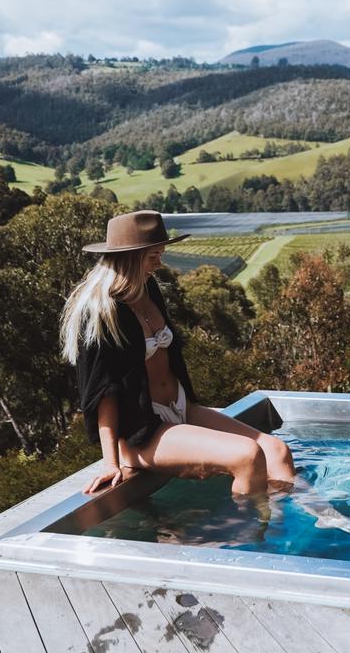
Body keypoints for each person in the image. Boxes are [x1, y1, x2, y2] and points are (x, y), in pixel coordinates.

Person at [61, 210, 296, 497]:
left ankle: (288, 527)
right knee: (246, 455)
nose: (160, 263)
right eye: (153, 256)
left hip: (182, 407)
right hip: (143, 430)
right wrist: (111, 462)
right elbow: (102, 393)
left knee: (276, 449)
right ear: (131, 257)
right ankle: (253, 537)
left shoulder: (148, 290)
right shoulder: (101, 313)